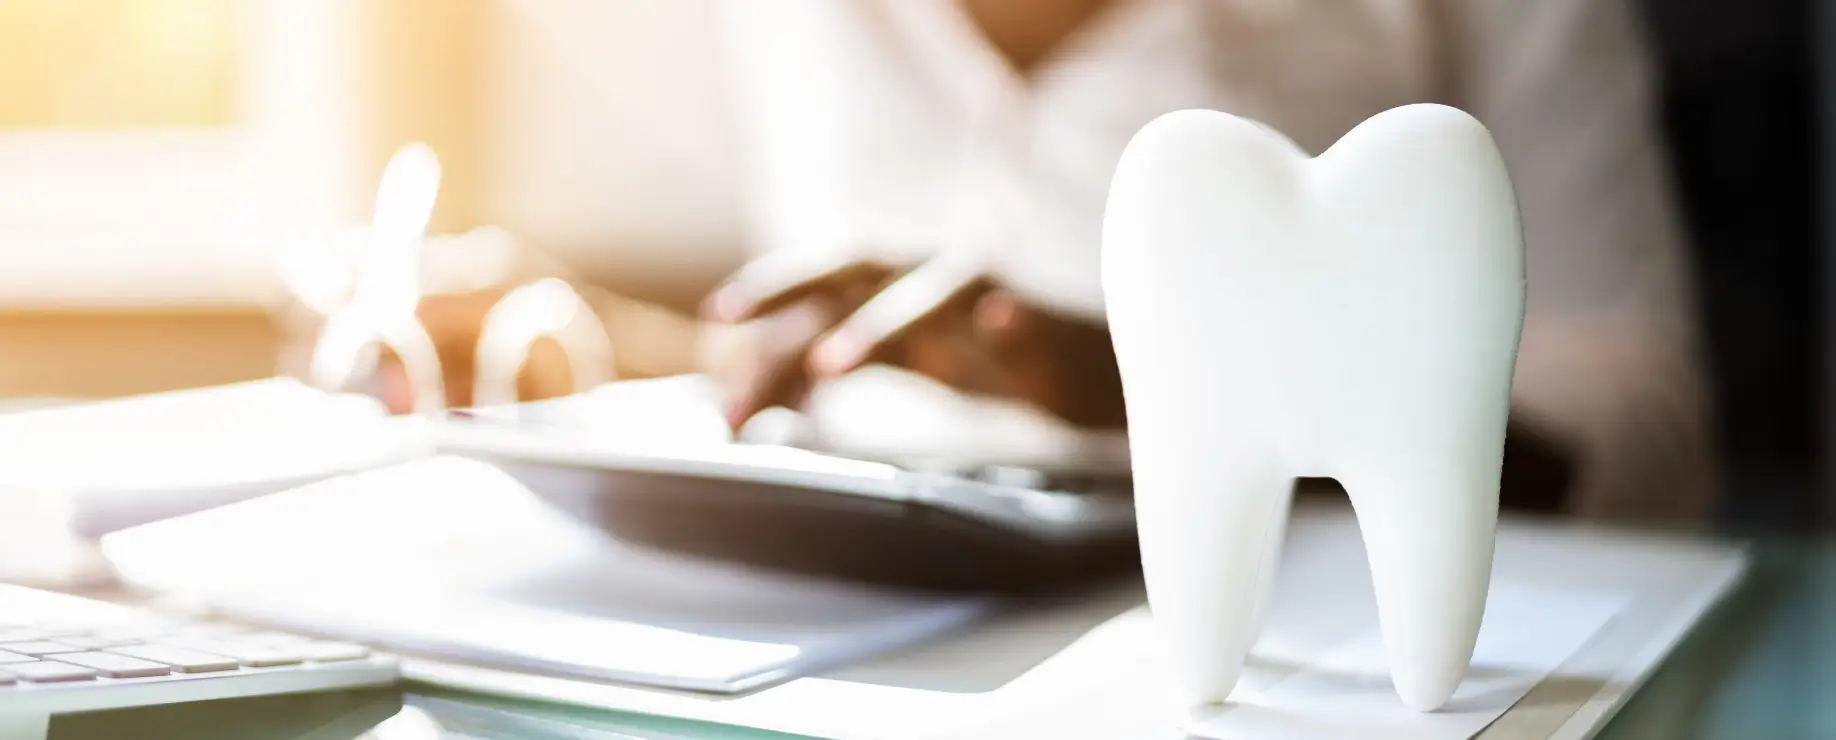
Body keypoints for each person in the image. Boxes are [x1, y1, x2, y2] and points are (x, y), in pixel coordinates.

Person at [394, 0, 1716, 523]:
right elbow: (870, 346)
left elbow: (1646, 426)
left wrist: (1172, 392)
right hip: (852, 648)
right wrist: (610, 343)